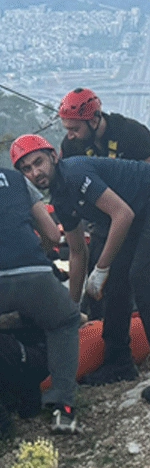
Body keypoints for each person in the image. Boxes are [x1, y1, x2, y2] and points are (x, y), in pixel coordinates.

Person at [13, 134, 150, 403]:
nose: (35, 172)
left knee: (143, 277)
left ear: (53, 157)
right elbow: (77, 252)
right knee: (116, 283)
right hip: (140, 211)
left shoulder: (74, 172)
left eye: (38, 162)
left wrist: (101, 267)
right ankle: (118, 360)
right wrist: (72, 309)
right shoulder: (61, 198)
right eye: (26, 169)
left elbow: (122, 215)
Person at [58, 88, 150, 321]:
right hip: (104, 218)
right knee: (100, 278)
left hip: (142, 213)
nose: (71, 136)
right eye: (67, 129)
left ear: (95, 120)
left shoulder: (130, 132)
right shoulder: (71, 147)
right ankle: (99, 325)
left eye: (75, 129)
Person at [0, 157, 85, 434]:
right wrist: (45, 255)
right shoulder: (16, 180)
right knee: (64, 322)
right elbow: (51, 232)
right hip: (32, 270)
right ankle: (64, 407)